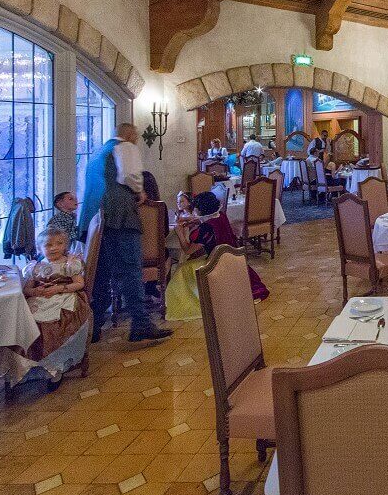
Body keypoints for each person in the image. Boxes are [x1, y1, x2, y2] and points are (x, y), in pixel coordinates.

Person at [78, 123, 172, 344]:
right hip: (117, 215)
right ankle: (140, 323)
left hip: (92, 218)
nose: (137, 139)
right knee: (130, 268)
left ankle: (94, 325)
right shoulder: (126, 147)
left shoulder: (97, 153)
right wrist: (139, 192)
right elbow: (130, 174)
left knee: (99, 273)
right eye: (136, 135)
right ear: (130, 135)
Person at [166, 191, 268, 320]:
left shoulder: (206, 228)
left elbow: (187, 250)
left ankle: (190, 301)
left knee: (181, 269)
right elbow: (206, 221)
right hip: (231, 258)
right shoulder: (221, 216)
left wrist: (180, 233)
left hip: (216, 263)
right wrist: (195, 222)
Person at [18, 225, 89, 384]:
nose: (54, 248)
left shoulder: (70, 264)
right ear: (40, 248)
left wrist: (60, 288)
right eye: (48, 245)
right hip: (41, 298)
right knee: (27, 319)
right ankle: (32, 362)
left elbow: (79, 284)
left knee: (53, 322)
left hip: (63, 296)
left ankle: (56, 365)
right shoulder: (36, 267)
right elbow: (27, 288)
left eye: (58, 244)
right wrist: (36, 291)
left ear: (65, 245)